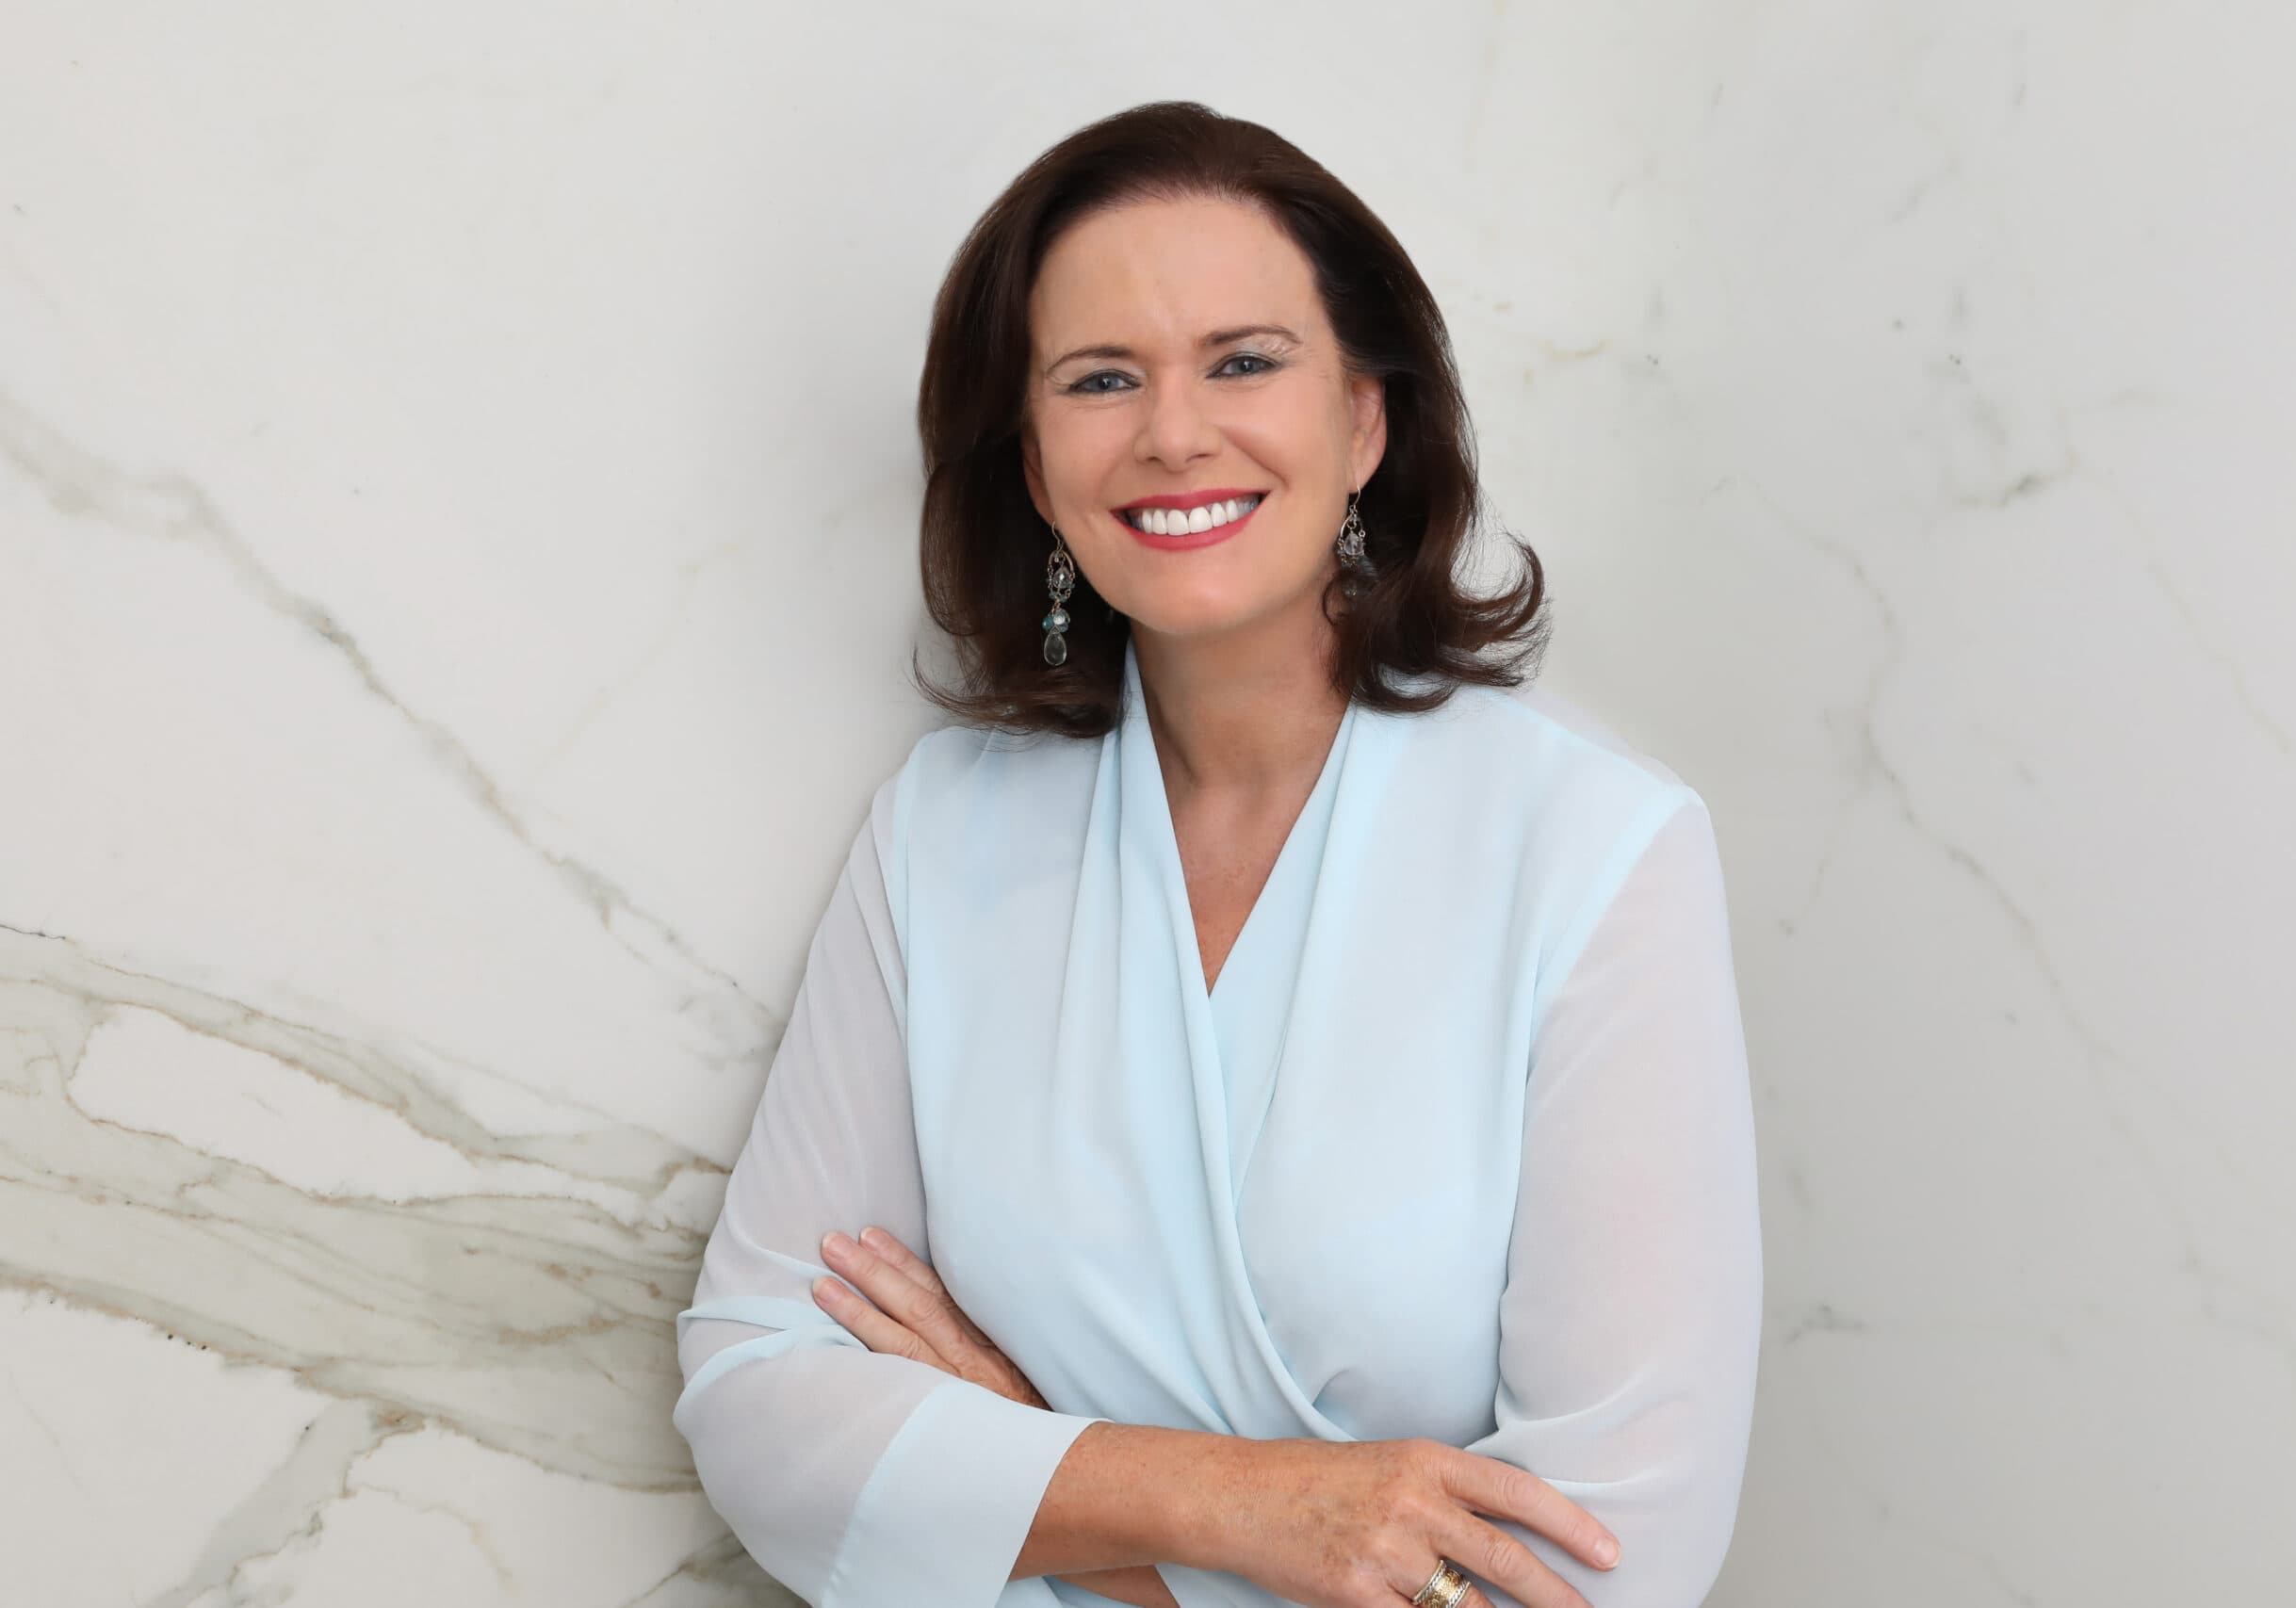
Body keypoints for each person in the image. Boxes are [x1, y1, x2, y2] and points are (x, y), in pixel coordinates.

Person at [672, 100, 1763, 1608]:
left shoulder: (1597, 847)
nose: (1173, 432)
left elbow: (1603, 1576)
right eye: (1100, 378)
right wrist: (1238, 1506)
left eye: (1244, 361)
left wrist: (1023, 1473)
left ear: (1366, 422)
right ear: (1036, 467)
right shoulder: (943, 830)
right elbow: (756, 1394)